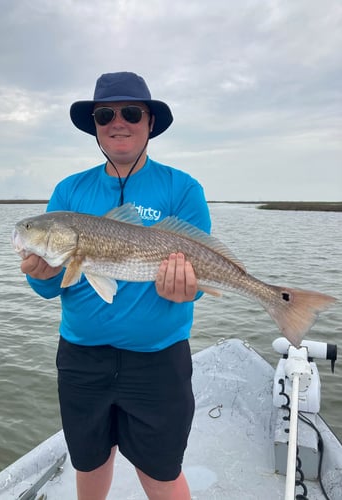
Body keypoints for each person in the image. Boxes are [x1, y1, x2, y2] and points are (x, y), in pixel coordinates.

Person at [21, 71, 211, 500]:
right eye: (105, 114)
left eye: (130, 112)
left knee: (160, 470)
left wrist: (189, 288)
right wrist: (41, 274)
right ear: (95, 126)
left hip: (158, 362)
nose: (117, 122)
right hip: (81, 359)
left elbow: (197, 281)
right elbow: (51, 288)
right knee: (88, 459)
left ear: (149, 123)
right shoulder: (69, 191)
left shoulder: (182, 189)